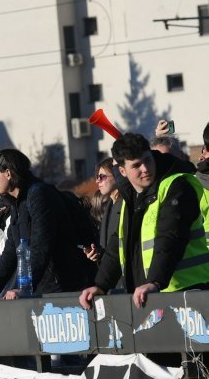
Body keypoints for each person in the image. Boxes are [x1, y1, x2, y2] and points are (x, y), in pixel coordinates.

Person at [80, 132, 209, 309]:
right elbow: (118, 245)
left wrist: (155, 281)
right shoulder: (130, 197)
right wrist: (100, 285)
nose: (145, 169)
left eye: (147, 160)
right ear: (123, 171)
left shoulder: (177, 186)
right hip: (151, 296)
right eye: (136, 165)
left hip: (189, 294)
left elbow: (170, 237)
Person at [0, 148, 88, 299]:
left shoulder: (38, 194)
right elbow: (11, 251)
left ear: (8, 174)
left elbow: (41, 245)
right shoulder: (16, 203)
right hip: (41, 289)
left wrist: (23, 287)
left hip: (60, 289)